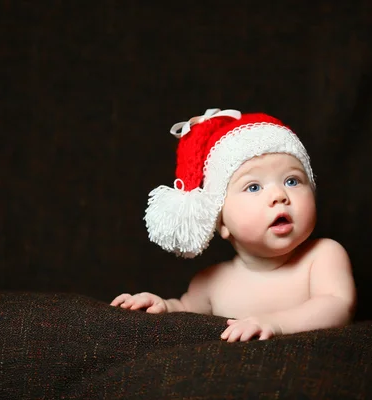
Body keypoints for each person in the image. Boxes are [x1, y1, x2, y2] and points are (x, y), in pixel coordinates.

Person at [111, 108, 356, 342]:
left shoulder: (323, 257)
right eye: (253, 187)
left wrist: (275, 324)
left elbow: (337, 305)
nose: (279, 195)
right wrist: (162, 306)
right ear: (222, 222)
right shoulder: (212, 282)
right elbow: (185, 311)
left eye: (292, 180)